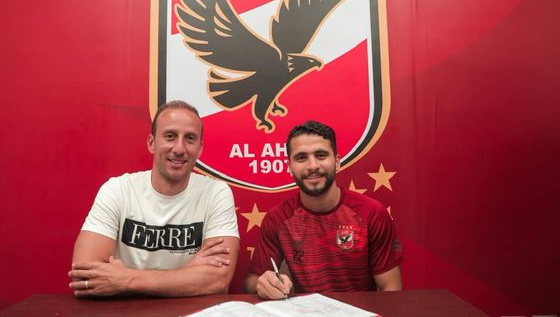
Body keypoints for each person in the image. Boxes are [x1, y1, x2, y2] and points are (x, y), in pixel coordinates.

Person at [69, 100, 240, 297]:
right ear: (151, 143)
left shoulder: (215, 193)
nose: (179, 148)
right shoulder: (118, 190)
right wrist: (187, 276)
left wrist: (126, 279)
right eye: (170, 136)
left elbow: (217, 281)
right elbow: (84, 278)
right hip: (125, 311)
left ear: (200, 149)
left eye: (190, 138)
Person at [244, 120, 403, 299]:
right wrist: (263, 284)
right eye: (301, 158)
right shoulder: (277, 218)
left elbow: (391, 289)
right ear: (289, 166)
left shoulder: (372, 213)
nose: (312, 166)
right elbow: (251, 282)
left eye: (321, 155)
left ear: (337, 162)